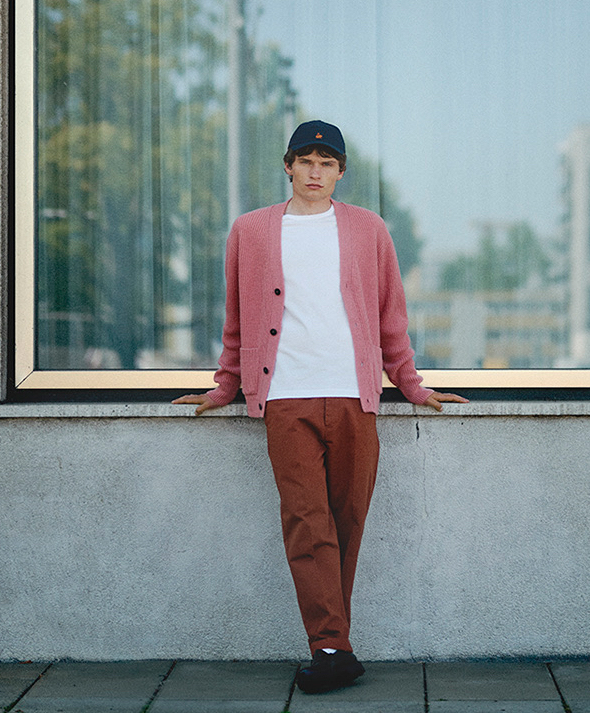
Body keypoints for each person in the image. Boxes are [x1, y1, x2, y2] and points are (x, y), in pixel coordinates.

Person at [173, 120, 467, 694]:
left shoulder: (367, 230)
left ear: (339, 171)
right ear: (288, 165)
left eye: (326, 163)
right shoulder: (251, 232)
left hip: (357, 397)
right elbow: (238, 321)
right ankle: (331, 647)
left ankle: (335, 645)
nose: (315, 171)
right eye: (305, 160)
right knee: (309, 524)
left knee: (348, 523)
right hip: (285, 396)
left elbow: (391, 319)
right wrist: (225, 387)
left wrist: (411, 384)